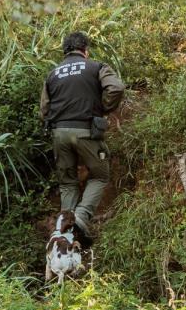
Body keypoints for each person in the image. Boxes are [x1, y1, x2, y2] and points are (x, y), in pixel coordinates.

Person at [40, 32, 125, 244]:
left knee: (68, 183)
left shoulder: (52, 74)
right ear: (85, 51)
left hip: (59, 134)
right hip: (86, 130)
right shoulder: (96, 67)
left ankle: (64, 231)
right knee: (100, 175)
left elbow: (44, 109)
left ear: (65, 52)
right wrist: (102, 108)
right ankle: (81, 216)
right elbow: (116, 88)